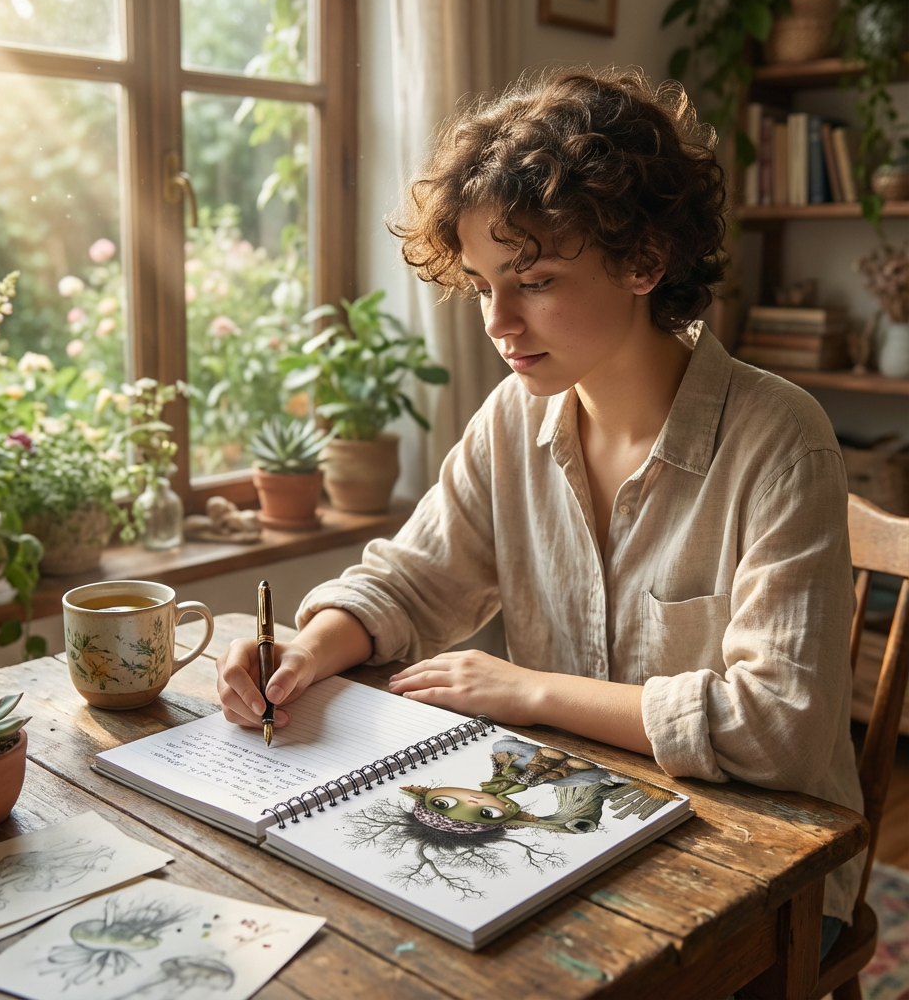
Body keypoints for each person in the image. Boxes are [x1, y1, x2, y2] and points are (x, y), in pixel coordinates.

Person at [216, 68, 863, 950]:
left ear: (644, 261)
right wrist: (304, 651)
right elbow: (411, 582)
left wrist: (530, 692)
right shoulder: (513, 419)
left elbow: (777, 729)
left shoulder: (782, 441)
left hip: (764, 880)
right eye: (484, 285)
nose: (498, 321)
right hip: (564, 828)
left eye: (537, 279)